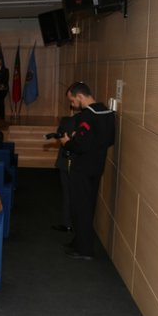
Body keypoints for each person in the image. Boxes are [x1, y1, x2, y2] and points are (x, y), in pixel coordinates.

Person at [60, 82, 115, 260]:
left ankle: (84, 250)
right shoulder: (107, 112)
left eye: (73, 100)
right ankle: (79, 241)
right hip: (97, 166)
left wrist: (67, 142)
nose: (72, 104)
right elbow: (109, 140)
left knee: (80, 208)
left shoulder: (87, 116)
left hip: (82, 168)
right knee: (88, 206)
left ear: (80, 97)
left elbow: (81, 144)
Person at [50, 112, 79, 232]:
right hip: (80, 163)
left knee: (67, 193)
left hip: (66, 162)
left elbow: (60, 136)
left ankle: (67, 223)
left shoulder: (67, 121)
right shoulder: (85, 122)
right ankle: (76, 222)